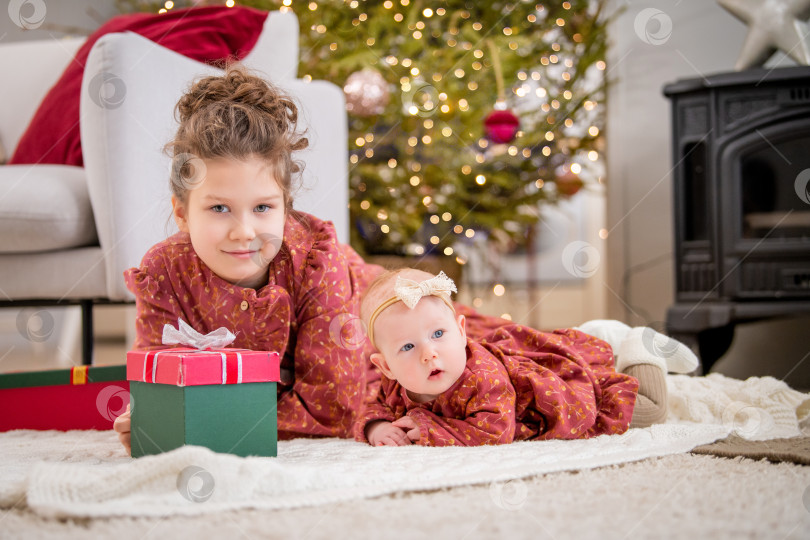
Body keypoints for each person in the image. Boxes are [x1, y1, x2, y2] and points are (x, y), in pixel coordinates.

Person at [113, 67, 380, 454]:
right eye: (219, 207)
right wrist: (156, 419)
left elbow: (332, 410)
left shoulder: (316, 263)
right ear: (183, 213)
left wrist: (205, 424)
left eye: (262, 208)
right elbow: (166, 389)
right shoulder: (162, 273)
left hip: (376, 325)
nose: (244, 232)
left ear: (285, 209)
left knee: (462, 363)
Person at [356, 268, 696, 447]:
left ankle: (641, 346)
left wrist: (431, 426)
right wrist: (377, 427)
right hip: (519, 366)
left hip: (551, 398)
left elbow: (495, 431)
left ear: (461, 331)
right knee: (574, 350)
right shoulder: (393, 383)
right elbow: (371, 406)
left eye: (438, 334)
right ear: (385, 366)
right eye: (408, 348)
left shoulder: (480, 377)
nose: (429, 353)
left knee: (649, 410)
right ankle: (599, 335)